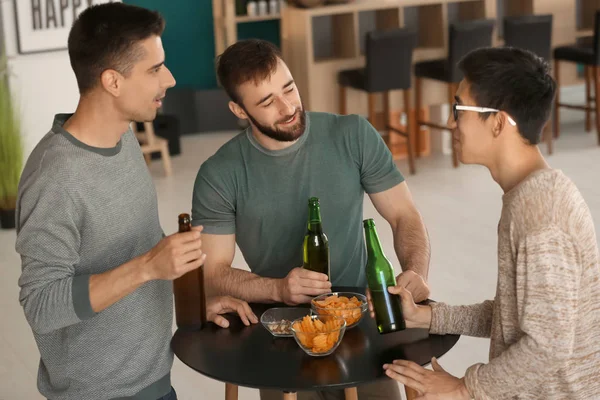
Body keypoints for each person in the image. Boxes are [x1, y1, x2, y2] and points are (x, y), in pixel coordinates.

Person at [15, 4, 257, 400]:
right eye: (155, 69)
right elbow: (41, 304)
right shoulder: (55, 178)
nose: (171, 79)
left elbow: (143, 249)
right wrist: (147, 267)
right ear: (112, 81)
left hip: (154, 379)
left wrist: (194, 305)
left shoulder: (123, 138)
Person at [192, 39, 431, 400]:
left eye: (288, 88)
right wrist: (277, 289)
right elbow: (213, 273)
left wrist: (416, 270)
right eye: (267, 101)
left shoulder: (352, 134)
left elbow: (404, 215)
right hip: (280, 328)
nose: (288, 107)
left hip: (360, 319)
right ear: (239, 111)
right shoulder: (219, 174)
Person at [379, 47, 600, 399]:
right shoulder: (528, 196)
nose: (451, 122)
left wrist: (465, 388)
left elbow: (549, 346)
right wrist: (427, 317)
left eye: (458, 110)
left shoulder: (540, 215)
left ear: (498, 122)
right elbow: (517, 317)